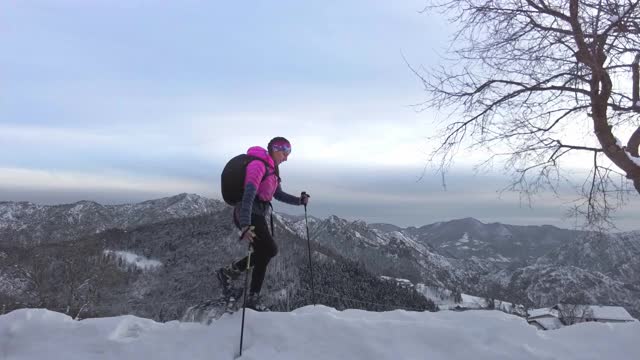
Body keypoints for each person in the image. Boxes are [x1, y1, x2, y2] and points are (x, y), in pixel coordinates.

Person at [217, 137, 310, 311]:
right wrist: (245, 225)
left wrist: (299, 201)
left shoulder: (272, 170)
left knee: (266, 251)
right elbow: (248, 195)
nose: (286, 158)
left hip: (258, 213)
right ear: (275, 149)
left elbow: (278, 195)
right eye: (285, 152)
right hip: (248, 212)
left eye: (289, 153)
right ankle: (247, 292)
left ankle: (234, 277)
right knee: (269, 250)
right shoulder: (258, 166)